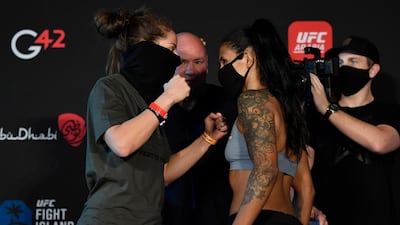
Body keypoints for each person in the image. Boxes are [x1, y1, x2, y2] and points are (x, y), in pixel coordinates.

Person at [76, 8, 229, 225]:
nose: (176, 59)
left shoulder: (150, 104)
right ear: (146, 49)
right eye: (171, 49)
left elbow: (162, 175)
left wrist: (207, 139)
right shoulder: (110, 88)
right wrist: (167, 99)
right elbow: (122, 144)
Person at [218, 18, 315, 225]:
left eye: (224, 61)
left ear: (248, 58)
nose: (221, 69)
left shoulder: (251, 100)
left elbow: (266, 169)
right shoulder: (286, 110)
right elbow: (307, 189)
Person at [308, 35, 400, 225]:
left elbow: (380, 142)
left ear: (373, 70)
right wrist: (307, 205)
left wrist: (328, 108)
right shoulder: (316, 117)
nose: (344, 67)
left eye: (353, 61)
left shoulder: (390, 112)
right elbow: (303, 167)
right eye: (340, 62)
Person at [162, 32, 237, 225]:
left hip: (218, 215)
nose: (190, 70)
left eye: (198, 61)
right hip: (166, 216)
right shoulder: (152, 108)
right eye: (182, 61)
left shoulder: (227, 101)